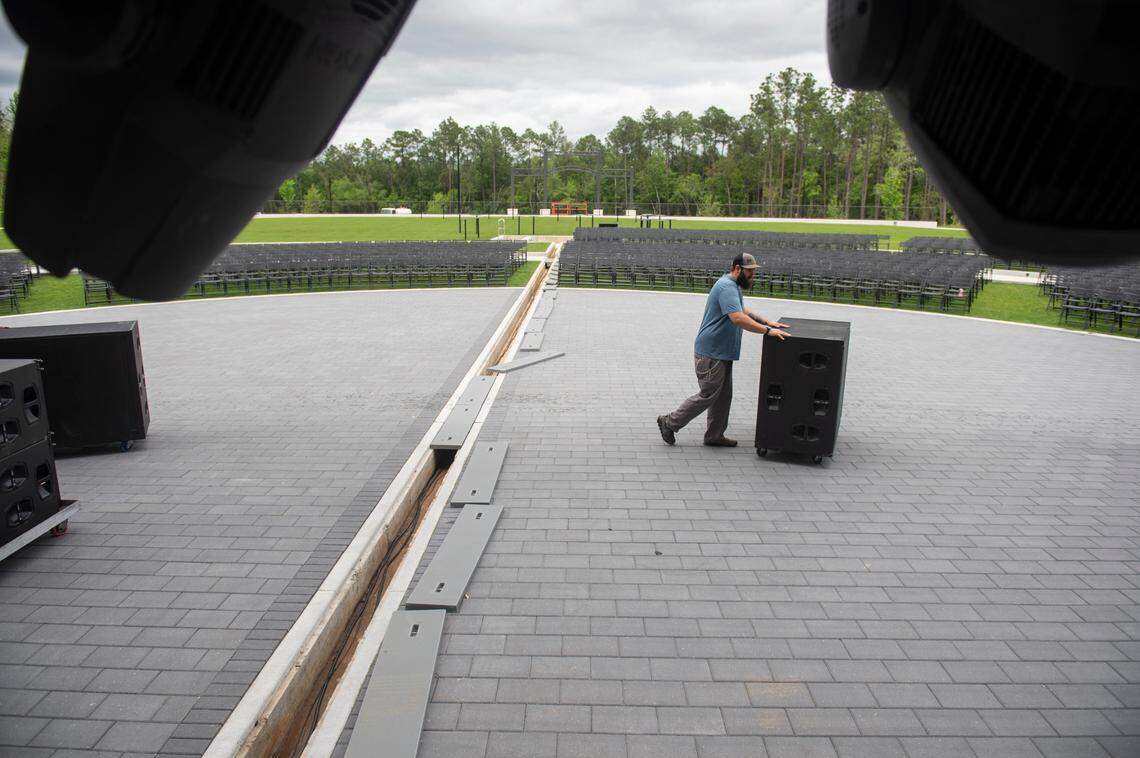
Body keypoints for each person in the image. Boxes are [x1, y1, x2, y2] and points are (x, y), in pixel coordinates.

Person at [657, 252, 789, 447]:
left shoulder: (732, 286)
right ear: (737, 269)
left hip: (721, 352)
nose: (753, 276)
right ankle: (669, 422)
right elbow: (737, 317)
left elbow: (744, 310)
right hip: (711, 353)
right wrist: (766, 330)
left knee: (723, 397)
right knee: (709, 395)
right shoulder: (726, 286)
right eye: (750, 272)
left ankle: (714, 435)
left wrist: (766, 320)